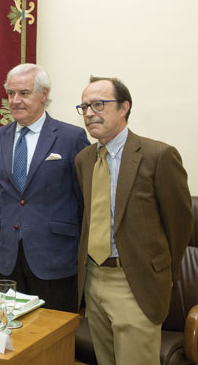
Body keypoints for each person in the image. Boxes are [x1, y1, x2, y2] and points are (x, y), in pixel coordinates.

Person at [75, 76, 193, 365]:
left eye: (99, 104)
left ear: (124, 107)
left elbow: (180, 224)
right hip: (93, 279)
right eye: (85, 106)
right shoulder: (83, 159)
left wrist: (162, 274)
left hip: (135, 282)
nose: (90, 113)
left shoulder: (157, 155)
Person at [0, 63, 90, 312]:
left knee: (53, 339)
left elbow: (84, 196)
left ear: (44, 94)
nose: (15, 100)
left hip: (55, 257)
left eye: (24, 93)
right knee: (9, 333)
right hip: (8, 256)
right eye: (11, 93)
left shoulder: (71, 137)